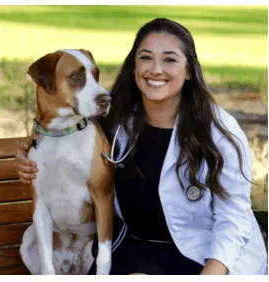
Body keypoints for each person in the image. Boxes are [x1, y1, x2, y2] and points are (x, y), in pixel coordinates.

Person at [15, 18, 267, 275]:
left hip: (204, 253)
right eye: (146, 58)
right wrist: (26, 152)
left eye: (170, 59)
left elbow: (233, 219)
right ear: (134, 66)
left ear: (189, 70)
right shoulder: (112, 114)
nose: (156, 69)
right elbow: (55, 128)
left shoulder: (219, 130)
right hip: (134, 245)